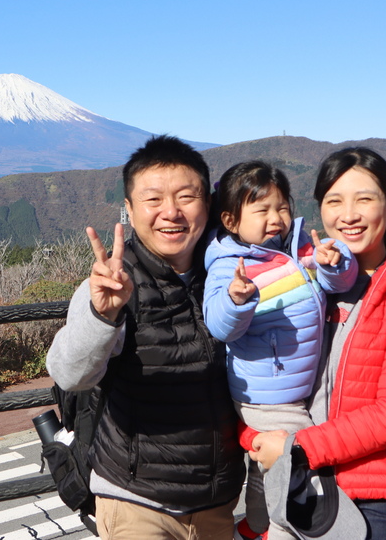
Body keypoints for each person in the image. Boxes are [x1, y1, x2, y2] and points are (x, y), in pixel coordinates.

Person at [247, 147, 386, 540]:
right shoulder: (312, 287)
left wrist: (297, 449)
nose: (348, 215)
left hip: (375, 498)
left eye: (365, 199)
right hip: (311, 484)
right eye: (334, 201)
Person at [45, 135, 245, 540]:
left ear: (208, 203)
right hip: (136, 502)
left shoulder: (232, 275)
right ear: (130, 211)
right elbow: (69, 373)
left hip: (219, 501)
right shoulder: (115, 283)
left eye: (186, 197)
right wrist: (103, 314)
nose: (170, 212)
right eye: (153, 200)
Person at [202, 160, 358, 540]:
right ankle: (284, 531)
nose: (276, 218)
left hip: (299, 389)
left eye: (283, 207)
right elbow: (220, 326)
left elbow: (339, 282)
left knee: (268, 471)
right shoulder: (229, 267)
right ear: (231, 220)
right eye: (262, 210)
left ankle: (255, 526)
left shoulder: (298, 249)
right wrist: (237, 300)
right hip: (268, 397)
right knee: (302, 470)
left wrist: (334, 265)